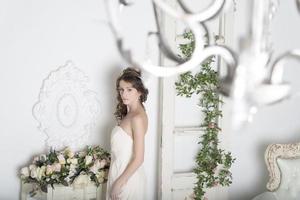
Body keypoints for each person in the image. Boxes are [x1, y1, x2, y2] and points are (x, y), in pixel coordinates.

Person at [106, 67, 149, 200]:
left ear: (140, 91)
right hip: (119, 172)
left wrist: (119, 183)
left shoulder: (137, 118)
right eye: (121, 89)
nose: (124, 94)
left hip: (127, 180)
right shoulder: (131, 113)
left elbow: (139, 158)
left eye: (129, 90)